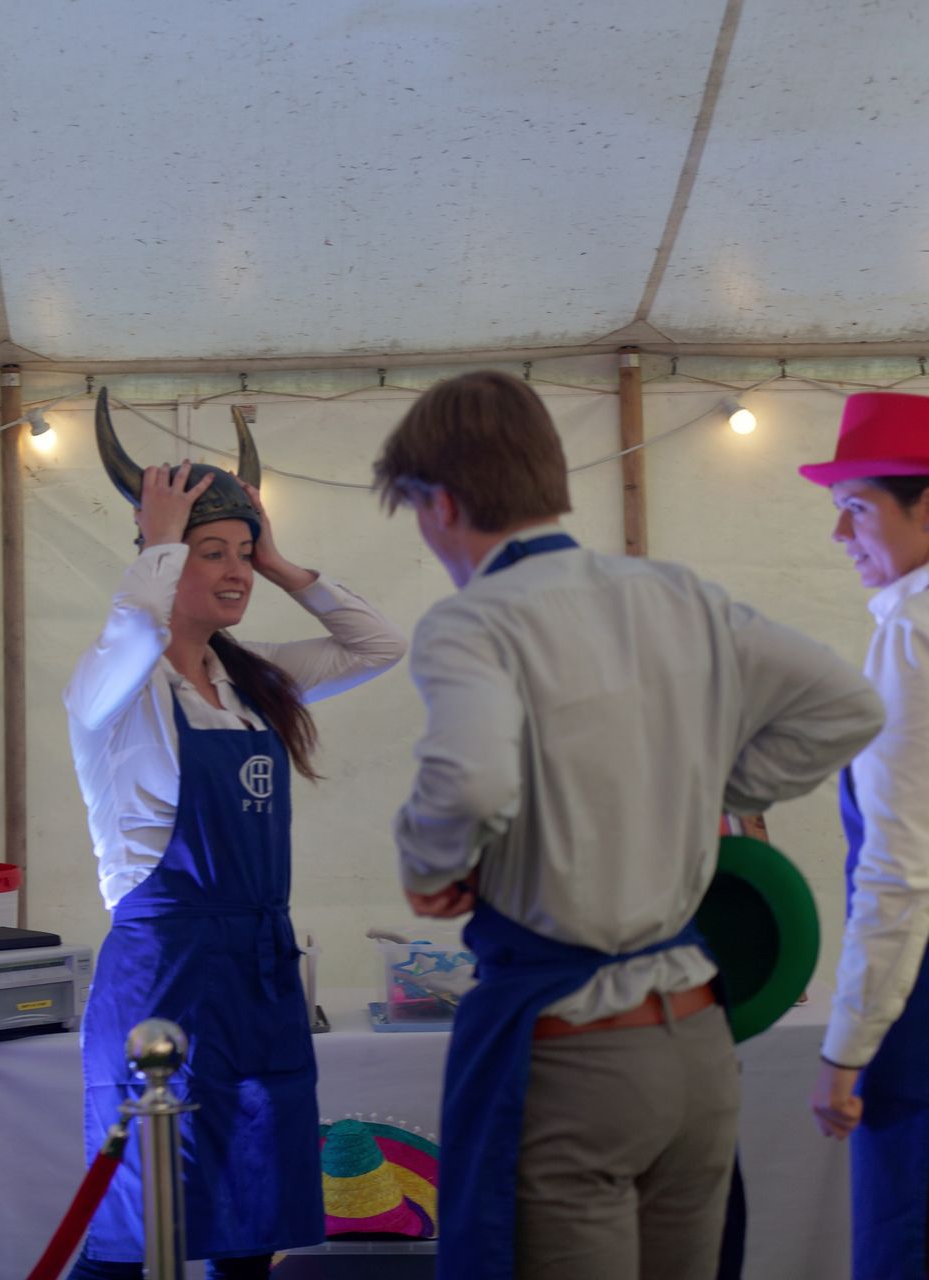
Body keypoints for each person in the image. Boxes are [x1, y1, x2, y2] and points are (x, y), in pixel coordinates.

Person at [374, 370, 884, 1280]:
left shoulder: (474, 620)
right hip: (695, 1042)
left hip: (577, 1053)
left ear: (440, 503)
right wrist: (712, 788)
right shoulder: (679, 596)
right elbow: (845, 706)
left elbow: (470, 782)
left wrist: (428, 863)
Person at [64, 394, 407, 1278]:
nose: (236, 574)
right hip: (163, 978)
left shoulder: (259, 681)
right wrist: (163, 537)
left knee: (254, 1212)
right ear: (159, 560)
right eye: (211, 555)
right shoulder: (111, 688)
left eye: (242, 558)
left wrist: (284, 560)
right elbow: (138, 625)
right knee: (149, 1225)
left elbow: (379, 645)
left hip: (258, 973)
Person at [799, 391, 929, 1277]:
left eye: (858, 509)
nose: (841, 538)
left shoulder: (913, 632)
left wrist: (846, 1051)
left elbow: (898, 872)